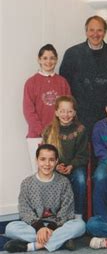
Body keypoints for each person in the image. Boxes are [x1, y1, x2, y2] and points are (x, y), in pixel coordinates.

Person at [3, 144, 85, 253]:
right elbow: (24, 210)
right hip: (34, 226)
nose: (47, 164)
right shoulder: (27, 183)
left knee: (80, 225)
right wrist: (40, 227)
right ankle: (61, 242)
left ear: (56, 162)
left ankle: (33, 246)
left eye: (51, 160)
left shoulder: (64, 182)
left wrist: (51, 227)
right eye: (43, 159)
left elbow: (66, 210)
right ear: (37, 160)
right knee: (10, 228)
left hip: (58, 226)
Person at [60, 15, 107, 132]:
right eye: (92, 30)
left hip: (105, 117)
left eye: (99, 30)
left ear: (105, 32)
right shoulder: (72, 54)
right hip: (79, 117)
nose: (95, 34)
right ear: (86, 31)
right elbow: (64, 87)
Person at [23, 44, 71, 172]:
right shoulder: (31, 82)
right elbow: (28, 110)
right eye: (45, 58)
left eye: (52, 58)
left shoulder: (62, 82)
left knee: (57, 173)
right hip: (37, 136)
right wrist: (43, 131)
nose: (48, 61)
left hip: (59, 134)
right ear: (39, 59)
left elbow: (68, 109)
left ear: (56, 60)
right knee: (39, 172)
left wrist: (58, 130)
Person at [42, 96, 89, 218]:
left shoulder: (80, 130)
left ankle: (78, 215)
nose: (66, 115)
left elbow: (83, 155)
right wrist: (56, 166)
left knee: (80, 179)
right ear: (56, 112)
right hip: (55, 168)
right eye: (62, 111)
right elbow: (46, 155)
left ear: (74, 113)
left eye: (69, 111)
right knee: (48, 179)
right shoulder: (49, 130)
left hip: (75, 167)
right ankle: (54, 215)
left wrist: (71, 166)